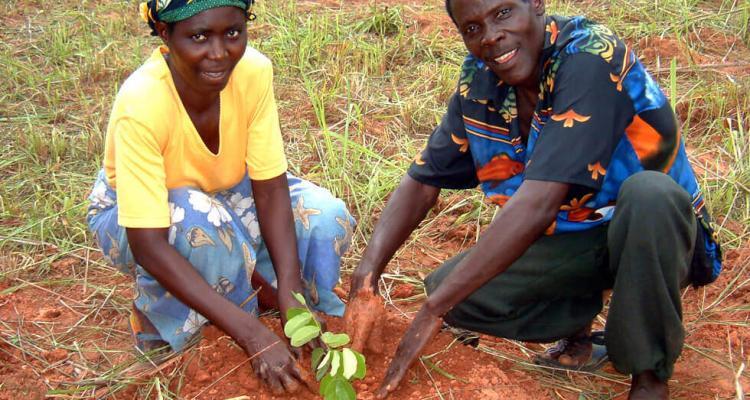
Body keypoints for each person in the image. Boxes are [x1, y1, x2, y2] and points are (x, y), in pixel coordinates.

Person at [344, 0, 722, 399]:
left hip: (660, 231)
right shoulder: (481, 80)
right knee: (455, 293)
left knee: (650, 194)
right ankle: (580, 325)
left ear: (536, 4)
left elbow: (539, 202)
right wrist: (364, 280)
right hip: (579, 233)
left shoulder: (591, 58)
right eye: (472, 28)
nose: (490, 36)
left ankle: (648, 375)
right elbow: (424, 180)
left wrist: (431, 309)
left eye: (503, 13)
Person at [86, 0, 355, 394]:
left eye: (233, 33)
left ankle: (268, 293)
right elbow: (147, 244)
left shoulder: (253, 71)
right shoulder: (141, 102)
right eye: (198, 37)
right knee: (206, 227)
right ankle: (165, 325)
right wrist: (251, 334)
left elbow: (269, 186)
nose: (219, 52)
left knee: (325, 216)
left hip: (229, 190)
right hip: (137, 216)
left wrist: (291, 293)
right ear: (165, 34)